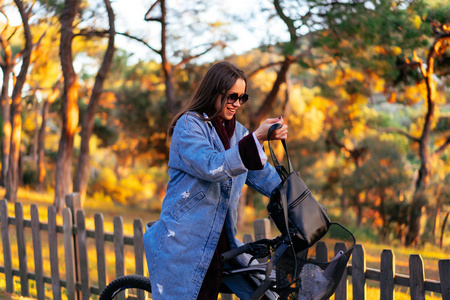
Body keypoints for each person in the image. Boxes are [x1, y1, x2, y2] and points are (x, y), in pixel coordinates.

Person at [143, 61, 288, 300]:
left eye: (243, 98)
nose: (237, 104)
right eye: (232, 96)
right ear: (215, 92)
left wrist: (299, 199)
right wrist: (258, 136)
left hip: (222, 244)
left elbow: (264, 175)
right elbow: (212, 166)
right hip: (186, 245)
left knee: (266, 296)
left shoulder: (238, 132)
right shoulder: (189, 125)